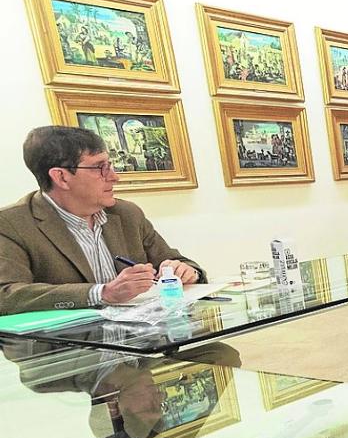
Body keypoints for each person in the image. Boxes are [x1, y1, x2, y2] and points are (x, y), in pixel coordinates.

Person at [0, 126, 205, 316]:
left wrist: (187, 272)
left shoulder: (126, 214)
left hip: (143, 335)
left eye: (110, 165)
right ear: (61, 177)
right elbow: (6, 295)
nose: (115, 177)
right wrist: (102, 293)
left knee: (220, 354)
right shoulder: (11, 224)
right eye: (100, 168)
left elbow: (175, 261)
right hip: (68, 347)